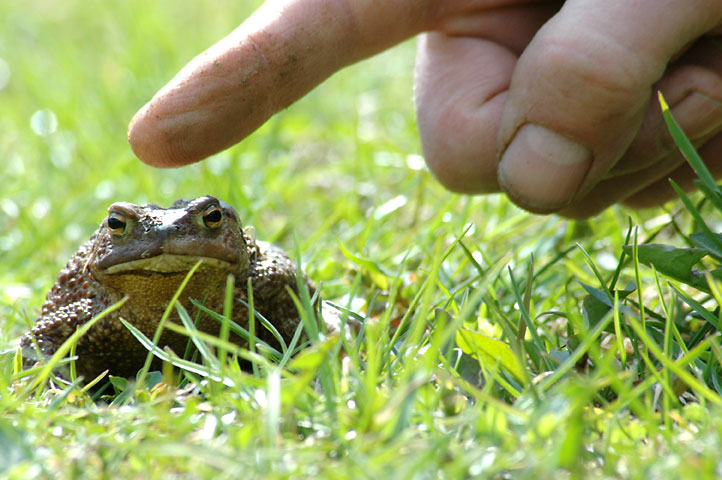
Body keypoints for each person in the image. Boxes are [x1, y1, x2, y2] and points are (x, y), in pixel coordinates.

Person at [127, 0, 722, 218]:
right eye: (120, 225)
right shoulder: (101, 273)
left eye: (209, 222)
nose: (172, 238)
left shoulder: (249, 271)